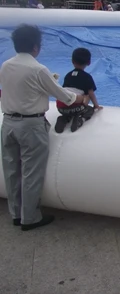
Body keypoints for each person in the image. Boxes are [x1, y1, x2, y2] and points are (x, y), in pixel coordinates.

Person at [0, 24, 86, 231]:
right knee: (31, 172)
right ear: (36, 47)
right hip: (30, 125)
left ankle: (15, 214)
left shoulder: (6, 65)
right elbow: (64, 96)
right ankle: (29, 217)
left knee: (11, 171)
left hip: (8, 123)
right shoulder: (38, 69)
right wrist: (81, 98)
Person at [55, 48, 102, 133]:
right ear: (89, 62)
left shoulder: (68, 76)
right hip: (75, 108)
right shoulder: (87, 77)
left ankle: (64, 118)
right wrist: (96, 106)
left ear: (72, 61)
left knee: (70, 102)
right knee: (90, 109)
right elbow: (91, 93)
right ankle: (80, 119)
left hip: (60, 107)